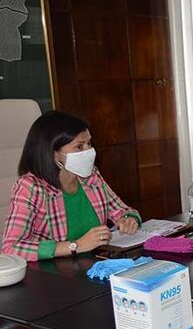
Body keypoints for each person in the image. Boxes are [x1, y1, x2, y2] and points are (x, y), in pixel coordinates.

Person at [2, 111, 141, 261]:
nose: (89, 151)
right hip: (54, 269)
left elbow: (123, 210)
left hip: (97, 262)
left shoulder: (90, 175)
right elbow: (11, 247)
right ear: (54, 154)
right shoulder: (30, 187)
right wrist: (75, 246)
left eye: (89, 143)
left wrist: (128, 219)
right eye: (79, 146)